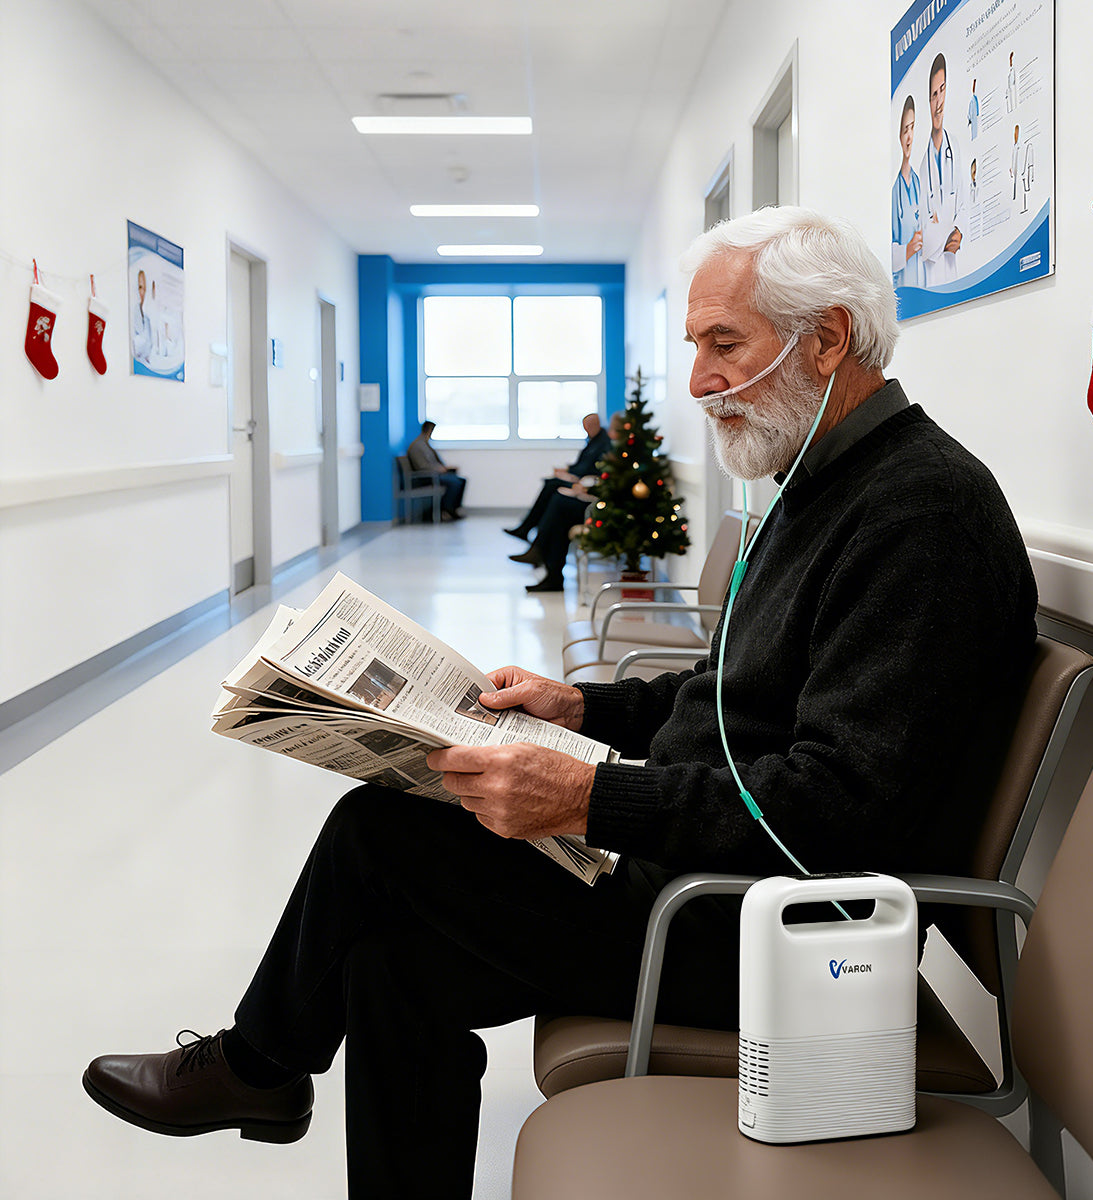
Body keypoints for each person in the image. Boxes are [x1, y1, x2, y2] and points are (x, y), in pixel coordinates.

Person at [82, 206, 1038, 1199]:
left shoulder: (921, 511)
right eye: (695, 347)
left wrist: (589, 802)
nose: (702, 381)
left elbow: (838, 808)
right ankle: (264, 1073)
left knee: (383, 828)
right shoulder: (819, 484)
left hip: (777, 932)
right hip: (706, 880)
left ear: (828, 337)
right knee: (387, 966)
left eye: (725, 344)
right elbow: (726, 695)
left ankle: (258, 1067)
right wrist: (581, 714)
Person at [504, 412, 612, 541]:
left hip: (586, 484)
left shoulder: (603, 443)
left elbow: (591, 469)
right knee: (550, 483)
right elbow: (582, 464)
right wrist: (567, 470)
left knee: (553, 487)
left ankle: (529, 530)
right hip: (579, 477)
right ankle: (529, 528)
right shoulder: (593, 441)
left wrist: (570, 473)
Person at [919, 52, 963, 285]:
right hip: (932, 268)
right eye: (933, 95)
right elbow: (924, 230)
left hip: (953, 261)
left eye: (942, 91)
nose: (939, 101)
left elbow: (964, 204)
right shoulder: (922, 165)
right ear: (929, 100)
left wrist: (958, 230)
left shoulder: (954, 146)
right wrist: (943, 232)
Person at [890, 94, 924, 290]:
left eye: (912, 128)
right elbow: (888, 254)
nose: (909, 137)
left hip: (923, 280)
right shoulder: (895, 191)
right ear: (899, 136)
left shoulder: (919, 182)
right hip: (904, 286)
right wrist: (909, 249)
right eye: (905, 130)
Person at [406, 420, 466, 520]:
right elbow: (422, 467)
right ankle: (445, 510)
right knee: (454, 483)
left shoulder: (425, 444)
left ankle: (452, 509)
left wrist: (445, 468)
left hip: (434, 473)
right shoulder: (417, 446)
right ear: (429, 431)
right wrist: (439, 469)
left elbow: (435, 461)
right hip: (426, 476)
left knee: (461, 480)